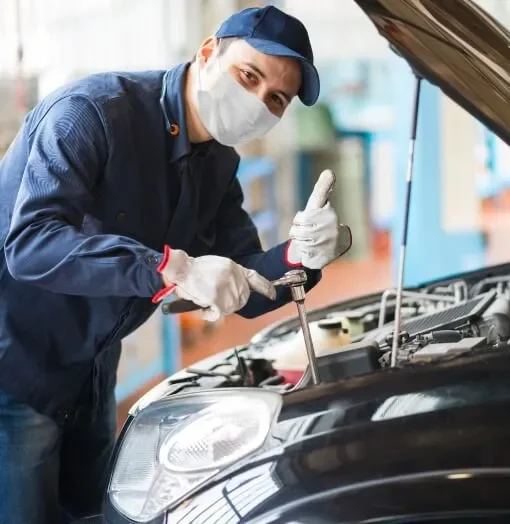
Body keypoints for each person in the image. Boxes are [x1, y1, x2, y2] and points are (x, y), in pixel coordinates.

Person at [0, 5, 351, 523]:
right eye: (248, 76)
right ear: (208, 52)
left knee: (98, 511)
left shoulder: (219, 162)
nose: (257, 102)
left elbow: (248, 285)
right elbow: (30, 243)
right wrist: (173, 268)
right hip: (17, 368)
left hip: (92, 370)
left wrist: (302, 256)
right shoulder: (91, 115)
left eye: (275, 99)